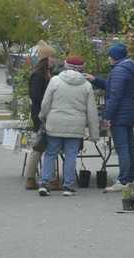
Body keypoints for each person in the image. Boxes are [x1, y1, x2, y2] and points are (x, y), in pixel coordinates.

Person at [38, 55, 99, 197]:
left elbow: (46, 102)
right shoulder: (86, 85)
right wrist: (94, 133)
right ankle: (68, 186)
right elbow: (91, 111)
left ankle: (45, 183)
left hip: (55, 123)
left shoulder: (55, 81)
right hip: (75, 126)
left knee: (51, 153)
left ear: (66, 66)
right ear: (81, 69)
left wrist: (42, 116)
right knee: (71, 155)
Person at [96, 42, 134, 191]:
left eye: (110, 56)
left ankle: (122, 181)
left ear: (114, 57)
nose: (108, 58)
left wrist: (107, 117)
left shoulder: (119, 71)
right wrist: (95, 80)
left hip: (120, 115)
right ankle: (130, 178)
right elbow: (113, 87)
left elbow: (115, 95)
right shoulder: (127, 68)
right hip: (130, 113)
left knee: (122, 148)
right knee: (130, 147)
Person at [23, 43, 58, 190]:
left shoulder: (48, 74)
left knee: (48, 146)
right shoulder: (38, 75)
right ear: (45, 58)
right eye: (52, 57)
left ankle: (48, 178)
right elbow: (36, 96)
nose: (54, 60)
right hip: (40, 115)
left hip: (46, 114)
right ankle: (32, 178)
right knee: (39, 146)